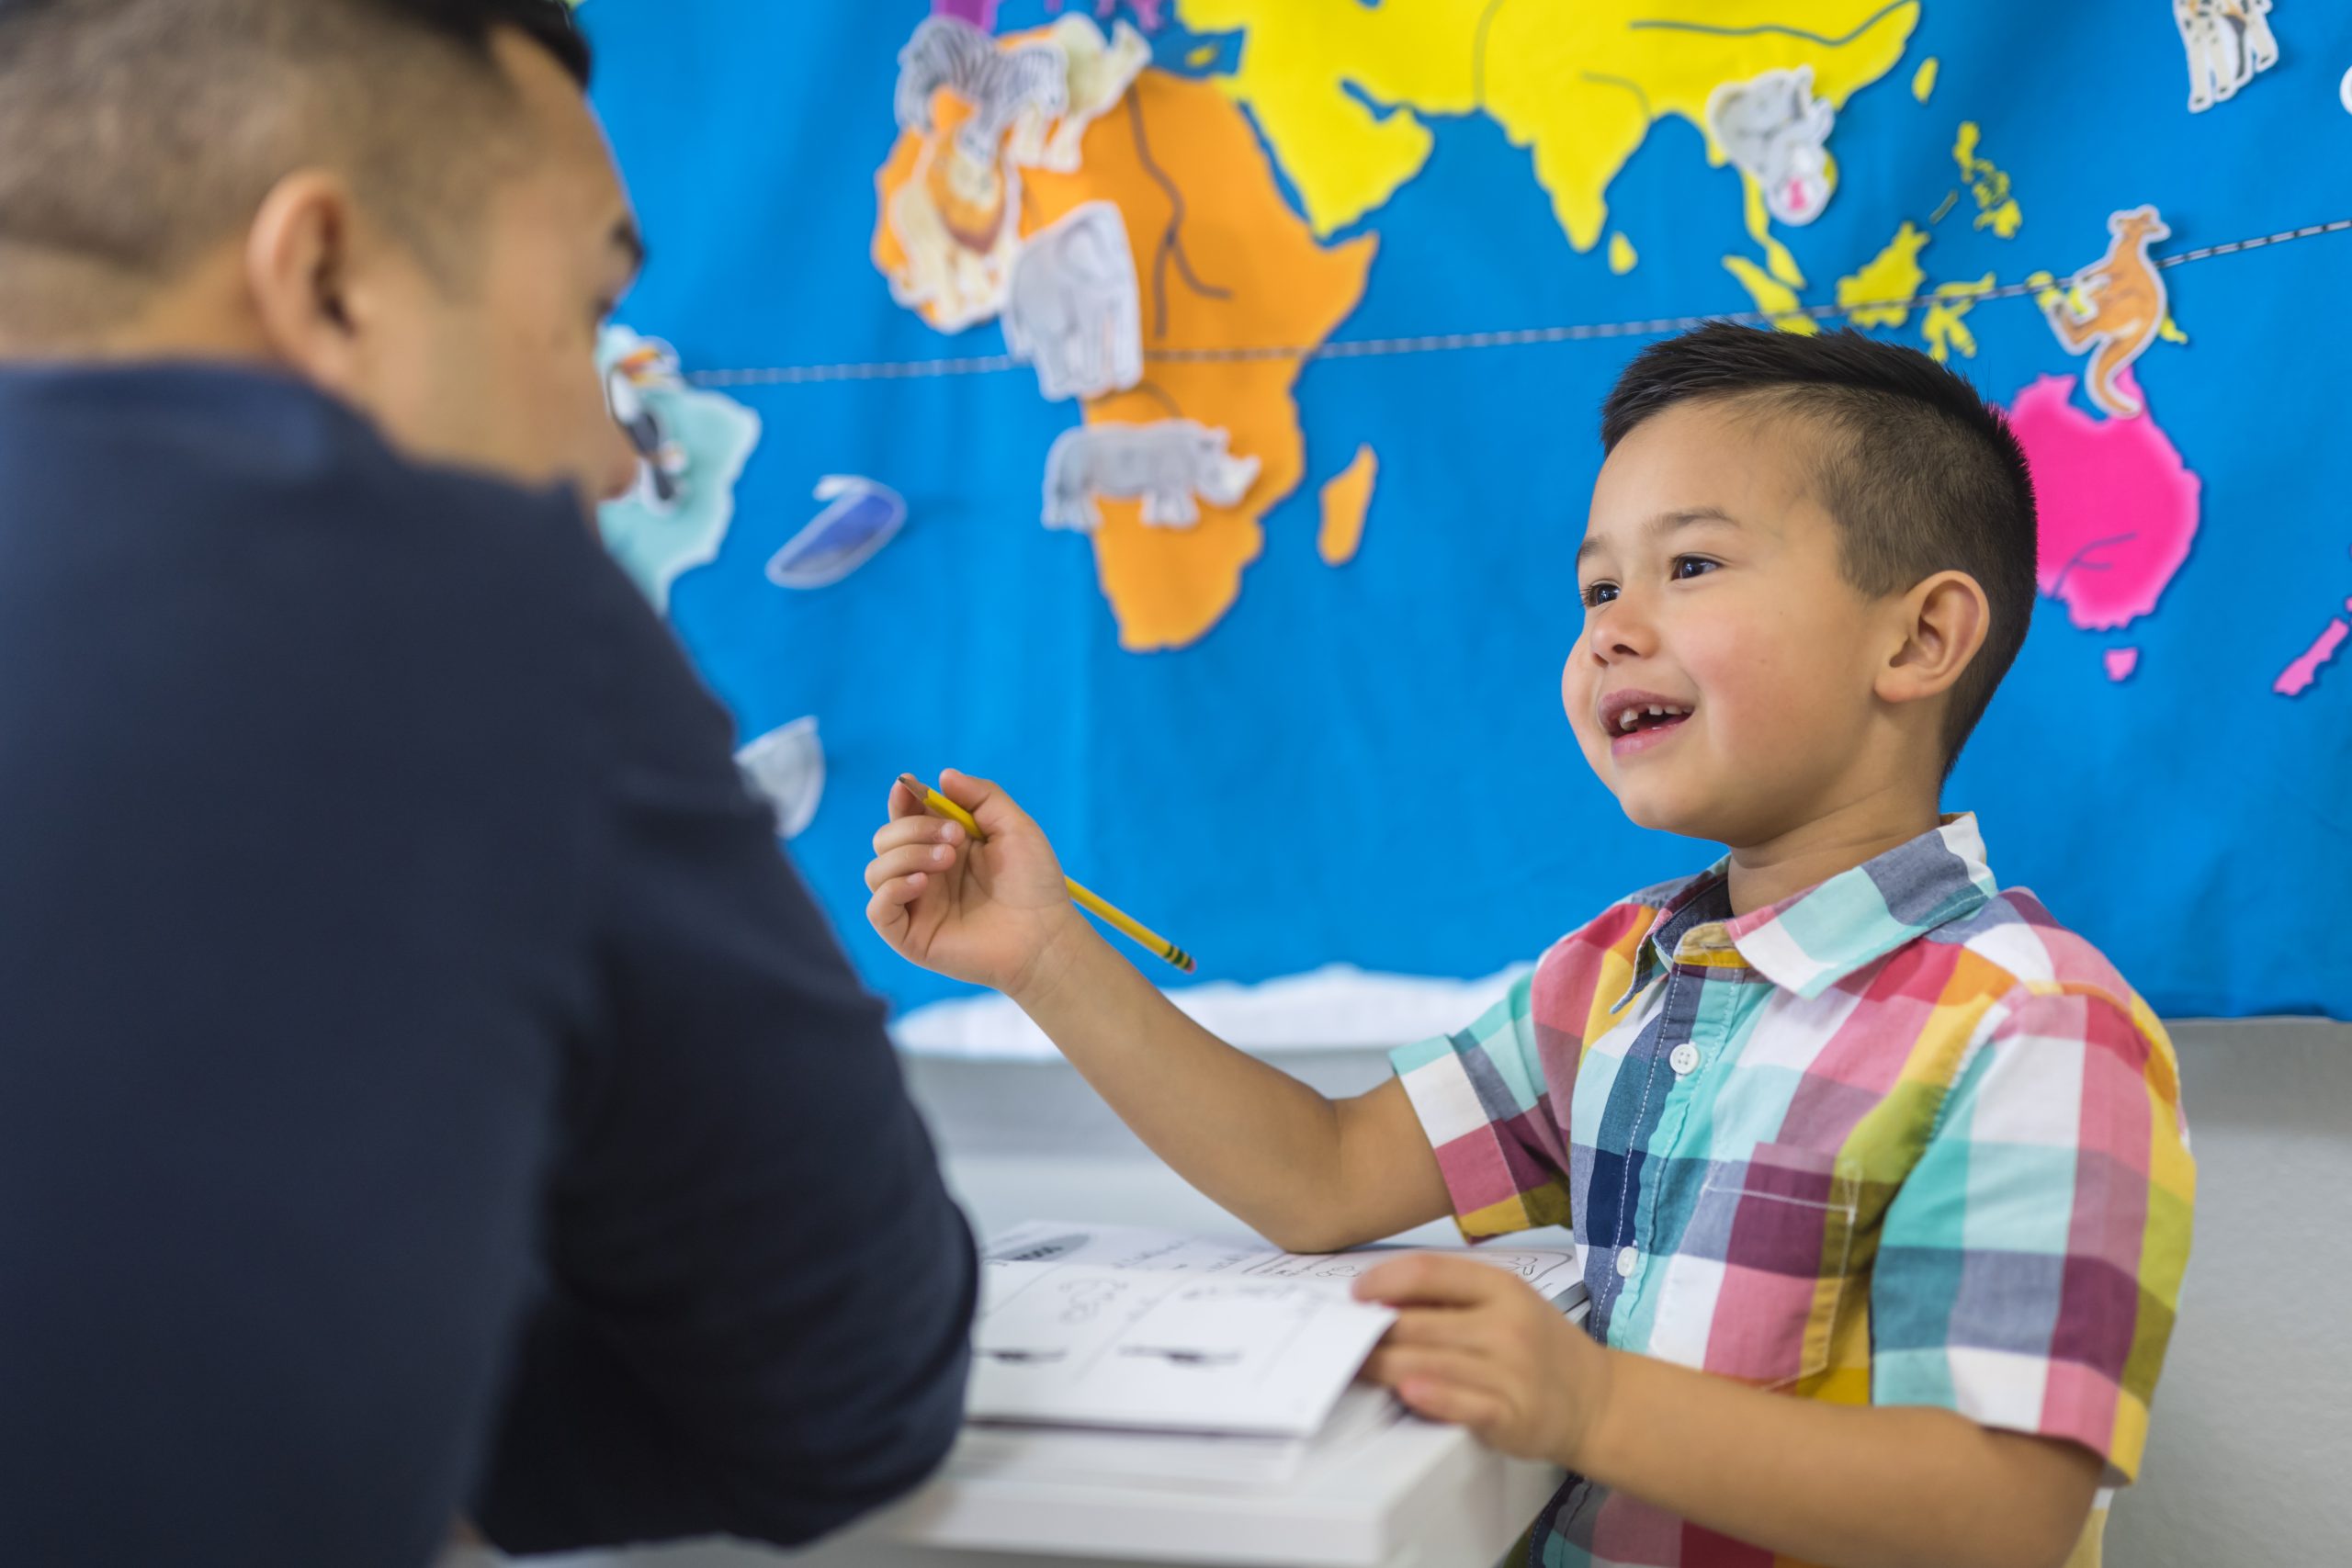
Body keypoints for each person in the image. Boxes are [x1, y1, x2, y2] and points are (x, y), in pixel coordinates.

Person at [865, 325, 2194, 1568]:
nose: (1610, 625)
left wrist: (1589, 1404)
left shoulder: (2036, 1027)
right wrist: (1043, 952)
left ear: (1919, 638)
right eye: (1597, 584)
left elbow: (2007, 1505)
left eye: (1691, 565)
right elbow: (1321, 1178)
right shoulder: (1614, 978)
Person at [0, 4, 974, 1563]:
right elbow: (845, 1389)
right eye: (584, 320)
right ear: (323, 277)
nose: (608, 454)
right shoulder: (460, 597)